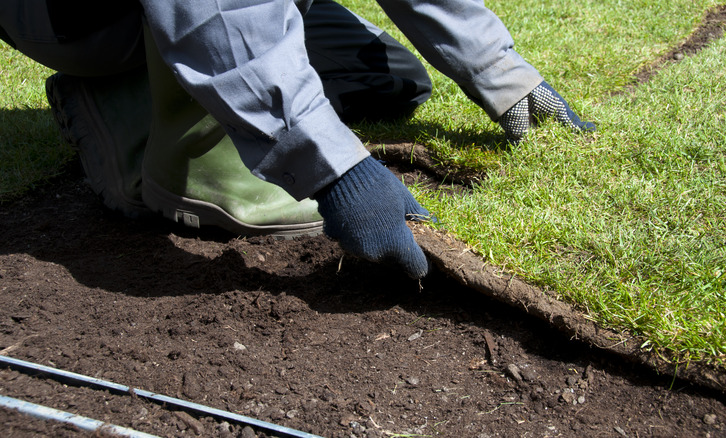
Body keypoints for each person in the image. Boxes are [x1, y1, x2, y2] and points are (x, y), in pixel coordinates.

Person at [0, 0, 594, 279]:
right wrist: (338, 172)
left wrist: (504, 76)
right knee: (213, 50)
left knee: (391, 80)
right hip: (83, 18)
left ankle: (206, 77)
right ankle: (135, 118)